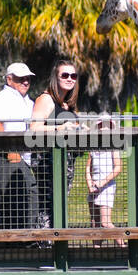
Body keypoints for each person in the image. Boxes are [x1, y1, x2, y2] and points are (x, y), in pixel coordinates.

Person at [30, 58, 82, 228]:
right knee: (47, 208)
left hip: (66, 165)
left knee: (59, 206)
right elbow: (34, 128)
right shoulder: (45, 99)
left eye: (73, 76)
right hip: (47, 164)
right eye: (65, 75)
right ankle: (45, 247)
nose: (70, 79)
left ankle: (57, 246)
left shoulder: (68, 104)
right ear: (55, 78)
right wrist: (60, 128)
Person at [0, 62, 39, 229]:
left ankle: (22, 239)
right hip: (7, 158)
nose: (25, 82)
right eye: (20, 78)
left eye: (28, 79)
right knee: (17, 197)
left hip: (24, 157)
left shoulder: (28, 101)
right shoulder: (2, 98)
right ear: (9, 80)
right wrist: (10, 151)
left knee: (22, 196)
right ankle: (15, 241)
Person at [86, 117, 122, 232]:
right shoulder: (93, 147)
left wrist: (102, 182)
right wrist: (89, 184)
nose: (104, 128)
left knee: (105, 223)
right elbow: (88, 168)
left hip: (107, 187)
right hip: (93, 188)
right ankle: (96, 249)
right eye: (102, 125)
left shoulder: (113, 147)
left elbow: (118, 167)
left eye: (108, 126)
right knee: (95, 224)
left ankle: (124, 247)